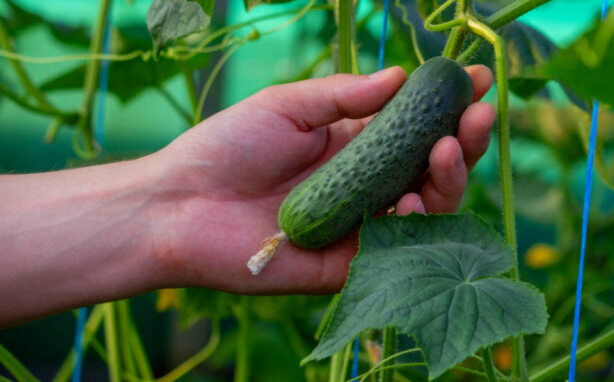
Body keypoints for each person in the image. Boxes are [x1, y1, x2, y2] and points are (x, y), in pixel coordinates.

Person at [0, 65, 495, 328]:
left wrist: (165, 207)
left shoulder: (304, 213)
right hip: (305, 215)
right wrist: (166, 202)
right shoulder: (302, 215)